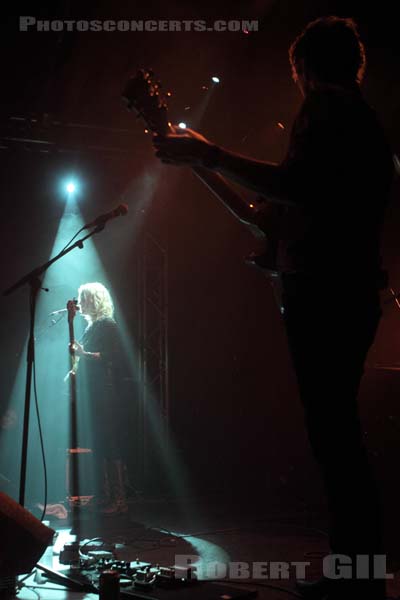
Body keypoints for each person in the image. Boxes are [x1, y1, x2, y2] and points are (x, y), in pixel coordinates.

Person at [153, 16, 394, 600]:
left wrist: (209, 156)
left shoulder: (327, 110)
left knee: (333, 436)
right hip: (351, 291)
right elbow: (287, 210)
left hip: (327, 294)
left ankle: (353, 577)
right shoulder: (367, 126)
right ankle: (357, 571)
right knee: (337, 433)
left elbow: (295, 186)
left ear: (306, 68)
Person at [72, 282, 128, 514]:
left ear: (94, 300)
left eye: (83, 298)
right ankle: (106, 495)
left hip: (105, 391)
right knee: (100, 443)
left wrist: (83, 353)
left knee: (110, 442)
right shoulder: (92, 326)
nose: (79, 303)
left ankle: (119, 499)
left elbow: (114, 355)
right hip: (94, 391)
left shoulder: (107, 324)